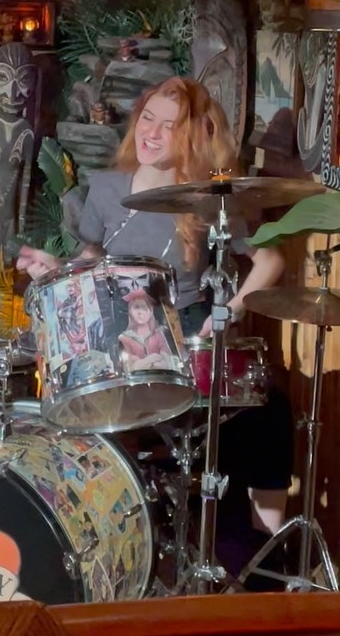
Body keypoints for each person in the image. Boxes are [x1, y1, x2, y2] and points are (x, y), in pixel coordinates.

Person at [18, 76, 293, 584]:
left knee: (267, 411)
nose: (152, 132)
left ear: (192, 136)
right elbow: (90, 263)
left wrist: (229, 310)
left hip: (184, 335)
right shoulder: (106, 188)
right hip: (117, 339)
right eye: (148, 118)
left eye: (170, 126)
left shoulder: (208, 198)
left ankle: (265, 558)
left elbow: (270, 261)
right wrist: (53, 268)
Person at [118, 289, 174, 370]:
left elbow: (168, 363)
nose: (140, 312)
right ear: (130, 311)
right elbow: (130, 368)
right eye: (136, 307)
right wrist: (153, 358)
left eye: (144, 308)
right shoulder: (124, 339)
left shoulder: (158, 335)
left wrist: (143, 363)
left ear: (151, 311)